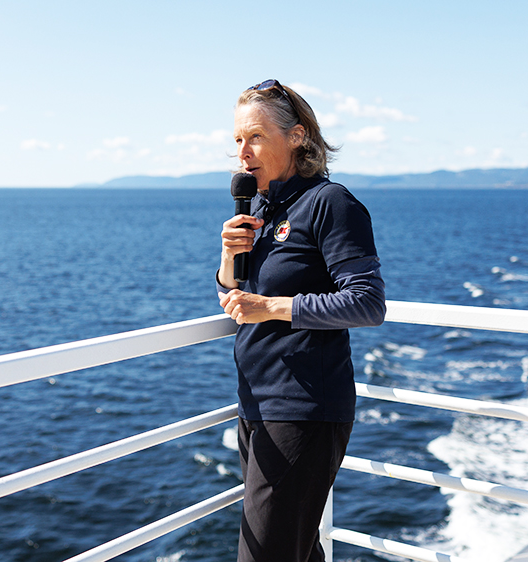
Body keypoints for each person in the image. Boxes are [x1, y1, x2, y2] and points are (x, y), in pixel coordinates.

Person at [217, 79, 386, 562]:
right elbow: (236, 301)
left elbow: (367, 303)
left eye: (255, 137)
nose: (242, 152)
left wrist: (273, 307)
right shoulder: (262, 209)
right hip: (257, 404)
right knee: (297, 551)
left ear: (296, 136)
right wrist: (229, 260)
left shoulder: (331, 203)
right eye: (237, 139)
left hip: (304, 408)